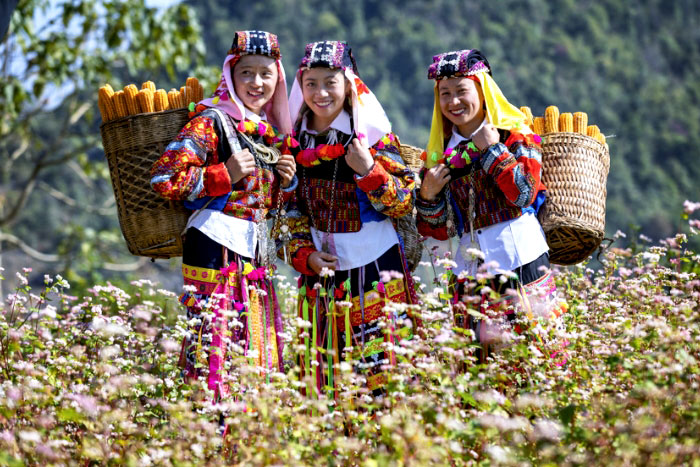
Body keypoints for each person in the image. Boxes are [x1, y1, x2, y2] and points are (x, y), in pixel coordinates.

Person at [150, 30, 298, 401]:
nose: (256, 83)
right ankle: (209, 435)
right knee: (215, 347)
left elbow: (263, 203)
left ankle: (243, 439)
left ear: (278, 79)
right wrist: (223, 175)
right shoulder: (211, 120)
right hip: (213, 247)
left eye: (266, 74)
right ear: (231, 74)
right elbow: (165, 178)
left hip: (253, 251)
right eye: (246, 72)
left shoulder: (269, 136)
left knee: (253, 346)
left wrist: (285, 182)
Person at [278, 40, 418, 397]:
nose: (320, 92)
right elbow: (288, 211)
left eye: (330, 82)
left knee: (385, 380)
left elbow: (403, 202)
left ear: (348, 84)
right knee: (322, 385)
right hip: (320, 277)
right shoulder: (293, 143)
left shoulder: (371, 137)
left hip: (376, 270)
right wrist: (303, 255)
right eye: (311, 83)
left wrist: (369, 169)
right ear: (300, 85)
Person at [416, 49, 565, 363]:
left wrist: (492, 150)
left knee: (538, 357)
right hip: (470, 272)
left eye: (461, 91)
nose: (453, 102)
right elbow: (438, 231)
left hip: (520, 259)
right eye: (445, 94)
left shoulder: (515, 135)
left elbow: (523, 195)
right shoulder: (440, 156)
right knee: (479, 368)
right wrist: (428, 195)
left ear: (482, 91)